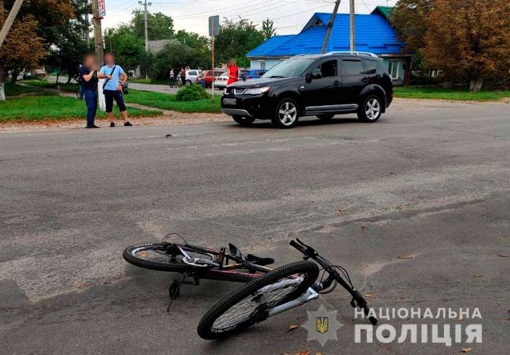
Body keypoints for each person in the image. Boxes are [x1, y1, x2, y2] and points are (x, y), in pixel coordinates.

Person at [98, 53, 132, 127]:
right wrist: (106, 76)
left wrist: (121, 84)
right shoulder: (104, 68)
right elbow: (99, 76)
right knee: (109, 106)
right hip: (107, 89)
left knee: (121, 104)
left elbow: (125, 76)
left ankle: (126, 121)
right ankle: (112, 121)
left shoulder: (117, 67)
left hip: (116, 89)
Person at [79, 54, 99, 129]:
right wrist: (92, 71)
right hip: (88, 89)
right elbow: (86, 78)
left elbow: (96, 78)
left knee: (94, 107)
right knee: (91, 106)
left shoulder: (92, 68)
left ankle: (92, 122)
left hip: (94, 89)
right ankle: (89, 123)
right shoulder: (83, 68)